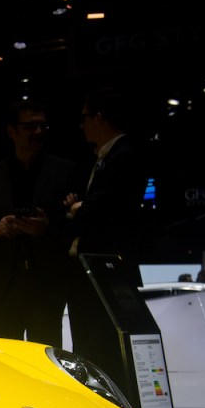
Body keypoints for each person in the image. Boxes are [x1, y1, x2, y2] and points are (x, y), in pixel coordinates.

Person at [0, 99, 76, 349]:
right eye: (30, 126)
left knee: (46, 367)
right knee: (6, 367)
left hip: (46, 290)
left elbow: (77, 230)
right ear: (11, 131)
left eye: (43, 126)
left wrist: (46, 229)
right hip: (3, 289)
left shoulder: (65, 172)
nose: (38, 132)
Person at [64, 87, 149, 290]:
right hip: (94, 270)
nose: (82, 125)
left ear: (99, 118)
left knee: (102, 323)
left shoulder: (124, 157)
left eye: (84, 118)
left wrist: (75, 209)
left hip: (106, 271)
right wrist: (78, 208)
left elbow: (93, 214)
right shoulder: (102, 157)